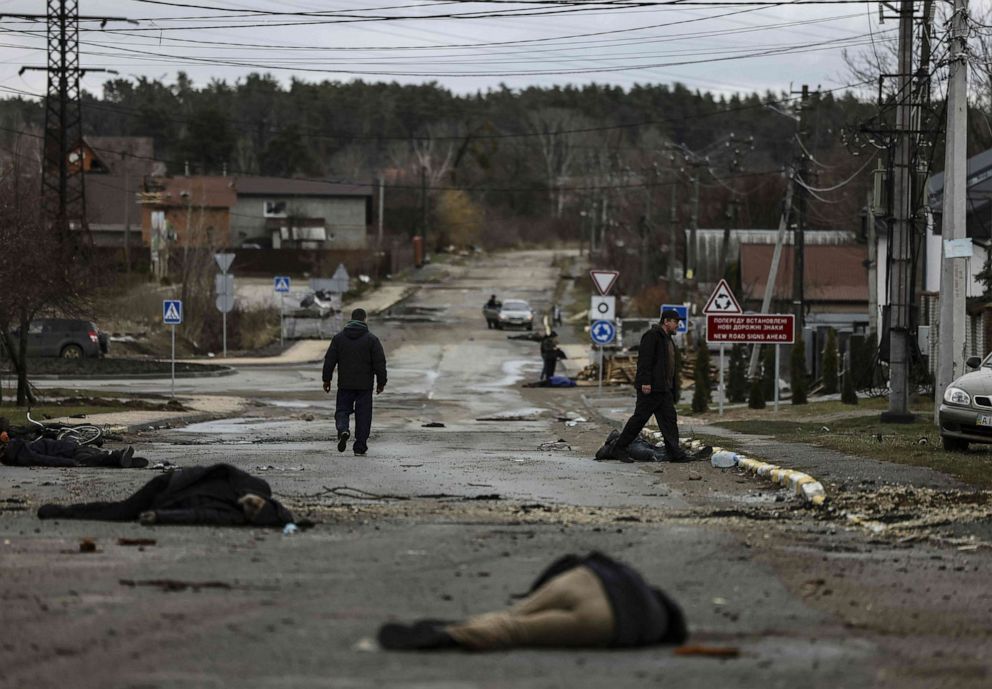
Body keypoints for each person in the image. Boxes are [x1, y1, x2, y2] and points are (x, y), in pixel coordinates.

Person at [377, 551, 687, 651]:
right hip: (606, 619)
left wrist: (534, 592)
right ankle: (454, 635)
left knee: (515, 614)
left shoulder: (636, 580)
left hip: (583, 578)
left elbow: (574, 560)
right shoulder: (654, 625)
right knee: (518, 632)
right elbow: (629, 638)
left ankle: (482, 620)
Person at [37, 463, 296, 527]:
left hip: (170, 494)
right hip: (170, 485)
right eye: (255, 505)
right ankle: (60, 512)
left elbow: (198, 516)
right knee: (121, 512)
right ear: (263, 500)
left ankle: (61, 512)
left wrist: (160, 516)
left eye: (252, 512)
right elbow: (220, 470)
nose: (249, 508)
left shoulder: (237, 515)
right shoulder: (254, 485)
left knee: (122, 511)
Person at [611, 308, 689, 463]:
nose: (678, 325)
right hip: (651, 388)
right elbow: (645, 361)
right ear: (666, 321)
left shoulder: (667, 338)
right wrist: (645, 382)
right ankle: (619, 448)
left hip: (663, 389)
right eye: (675, 322)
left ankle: (674, 452)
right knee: (639, 419)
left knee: (669, 419)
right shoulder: (652, 336)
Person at [322, 307, 387, 456]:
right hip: (365, 386)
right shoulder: (372, 340)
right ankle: (360, 446)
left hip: (345, 384)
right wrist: (381, 382)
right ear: (364, 320)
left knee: (342, 411)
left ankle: (343, 429)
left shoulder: (338, 338)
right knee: (363, 416)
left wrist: (326, 379)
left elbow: (329, 361)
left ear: (351, 319)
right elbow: (380, 363)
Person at [0, 430, 145, 468]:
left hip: (71, 452)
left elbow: (42, 458)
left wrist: (67, 462)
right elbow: (43, 458)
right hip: (72, 449)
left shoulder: (18, 451)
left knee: (96, 459)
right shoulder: (19, 448)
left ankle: (119, 458)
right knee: (97, 457)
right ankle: (121, 458)